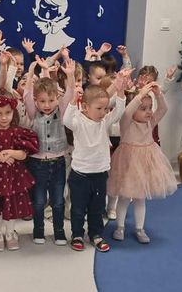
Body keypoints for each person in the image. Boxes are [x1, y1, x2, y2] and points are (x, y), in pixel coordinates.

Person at [63, 74, 128, 253]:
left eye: (105, 108)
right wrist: (72, 101)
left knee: (97, 208)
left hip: (99, 174)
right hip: (80, 175)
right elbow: (66, 120)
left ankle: (96, 234)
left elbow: (118, 112)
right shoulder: (78, 120)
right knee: (78, 209)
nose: (103, 112)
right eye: (99, 108)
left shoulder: (104, 121)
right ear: (85, 107)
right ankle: (77, 234)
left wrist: (121, 90)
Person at [107, 82, 177, 244]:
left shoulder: (150, 122)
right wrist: (139, 96)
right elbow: (127, 112)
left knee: (140, 198)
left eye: (150, 107)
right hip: (128, 163)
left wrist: (158, 95)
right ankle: (120, 227)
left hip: (145, 163)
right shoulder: (126, 123)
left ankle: (140, 228)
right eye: (143, 108)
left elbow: (163, 109)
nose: (149, 112)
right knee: (124, 197)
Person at [23, 56, 75, 245]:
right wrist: (30, 74)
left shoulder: (61, 111)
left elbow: (70, 94)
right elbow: (27, 95)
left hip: (58, 162)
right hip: (37, 163)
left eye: (51, 100)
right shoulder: (33, 112)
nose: (47, 105)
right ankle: (38, 231)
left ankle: (59, 231)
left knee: (58, 200)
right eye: (42, 101)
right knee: (38, 201)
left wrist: (70, 76)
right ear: (36, 101)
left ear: (57, 99)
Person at [0, 91, 39, 251]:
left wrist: (11, 153)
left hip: (14, 177)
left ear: (14, 112)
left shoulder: (18, 132)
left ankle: (10, 232)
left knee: (11, 204)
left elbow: (24, 154)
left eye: (7, 113)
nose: (4, 117)